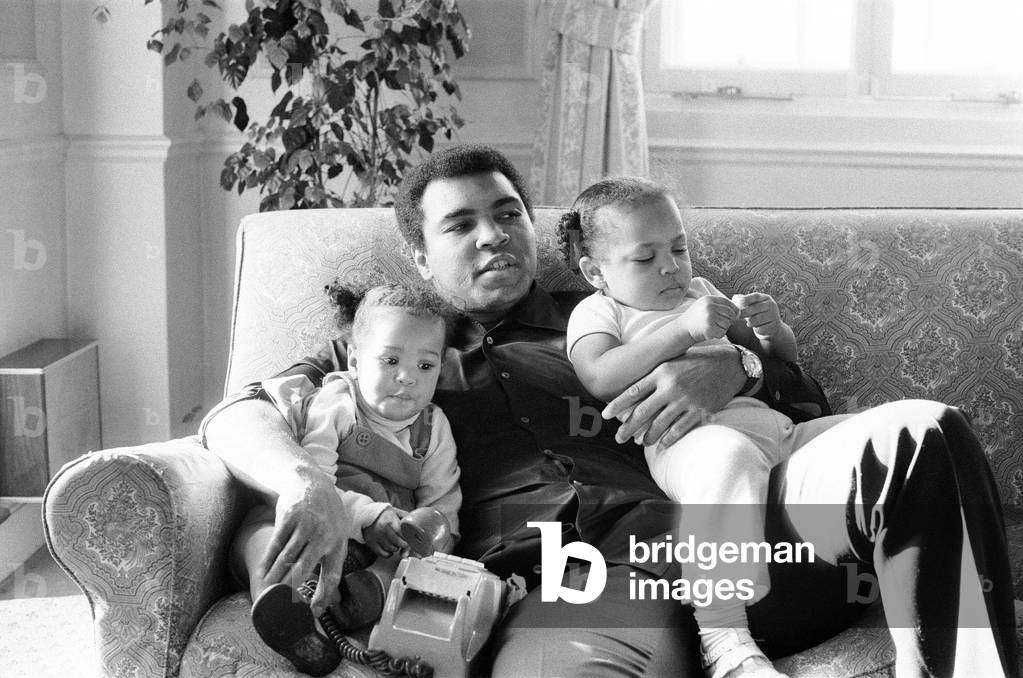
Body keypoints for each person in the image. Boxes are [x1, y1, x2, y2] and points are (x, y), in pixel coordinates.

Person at [201, 144, 1018, 678]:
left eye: (507, 214)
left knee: (920, 432)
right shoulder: (388, 355)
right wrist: (302, 480)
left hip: (746, 542)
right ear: (419, 254)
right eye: (461, 224)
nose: (492, 236)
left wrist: (732, 369)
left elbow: (801, 402)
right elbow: (237, 416)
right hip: (580, 584)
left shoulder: (619, 310)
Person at [561, 176, 809, 678]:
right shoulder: (600, 310)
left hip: (774, 428)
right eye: (644, 257)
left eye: (678, 248)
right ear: (595, 272)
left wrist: (772, 330)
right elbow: (599, 375)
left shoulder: (700, 291)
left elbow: (779, 364)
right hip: (687, 443)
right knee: (727, 458)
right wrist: (684, 329)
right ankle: (724, 636)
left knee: (884, 432)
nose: (670, 267)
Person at [231, 282, 461, 676]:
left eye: (425, 366)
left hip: (383, 542)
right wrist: (366, 516)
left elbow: (443, 502)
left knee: (404, 566)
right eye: (390, 360)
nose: (407, 377)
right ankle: (282, 605)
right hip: (318, 523)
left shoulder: (434, 427)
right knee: (263, 530)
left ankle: (365, 596)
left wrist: (427, 540)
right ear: (354, 361)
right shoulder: (337, 403)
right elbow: (315, 481)